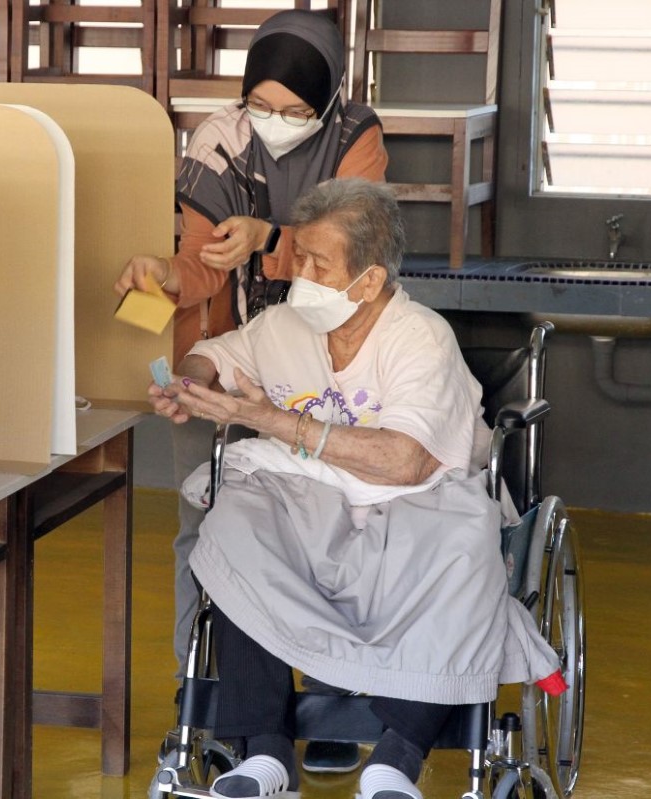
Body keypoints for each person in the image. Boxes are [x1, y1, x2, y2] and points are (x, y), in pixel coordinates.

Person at [150, 179, 565, 799]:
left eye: (319, 264)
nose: (302, 276)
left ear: (368, 281)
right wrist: (187, 383)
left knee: (465, 549)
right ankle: (265, 756)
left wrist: (275, 420)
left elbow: (405, 461)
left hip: (415, 502)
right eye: (301, 259)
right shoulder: (284, 325)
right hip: (306, 499)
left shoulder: (420, 338)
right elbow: (213, 354)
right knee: (232, 527)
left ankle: (394, 762)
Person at [115, 9, 388, 772]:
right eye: (262, 106)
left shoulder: (356, 137)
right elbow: (201, 265)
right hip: (226, 354)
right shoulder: (217, 140)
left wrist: (269, 237)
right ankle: (201, 686)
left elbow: (355, 251)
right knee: (204, 525)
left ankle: (333, 697)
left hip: (326, 363)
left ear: (327, 103)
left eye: (296, 112)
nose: (276, 124)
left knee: (328, 522)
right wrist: (171, 272)